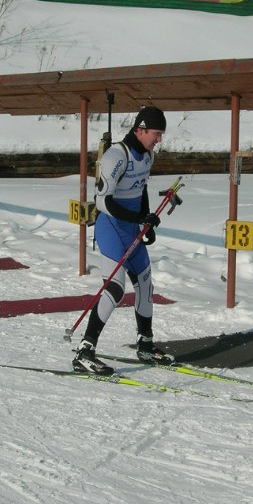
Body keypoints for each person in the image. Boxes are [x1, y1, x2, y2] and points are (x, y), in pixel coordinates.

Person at [73, 105, 174, 375]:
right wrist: (136, 219)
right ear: (140, 130)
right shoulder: (117, 156)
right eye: (156, 133)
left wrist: (146, 219)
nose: (159, 139)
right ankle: (85, 351)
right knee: (115, 289)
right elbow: (103, 202)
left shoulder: (147, 155)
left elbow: (140, 190)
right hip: (111, 227)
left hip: (130, 227)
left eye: (161, 134)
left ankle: (145, 343)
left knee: (145, 282)